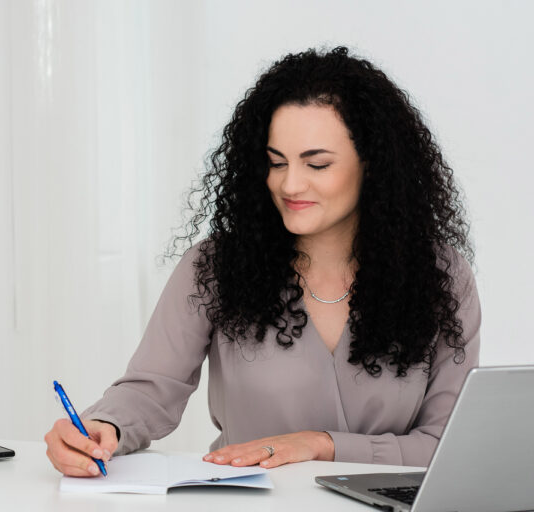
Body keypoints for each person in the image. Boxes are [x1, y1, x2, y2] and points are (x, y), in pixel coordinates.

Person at [44, 46, 480, 477]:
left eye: (318, 164)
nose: (290, 183)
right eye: (276, 162)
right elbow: (151, 390)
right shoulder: (215, 267)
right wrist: (105, 427)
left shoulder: (441, 276)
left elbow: (446, 444)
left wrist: (320, 445)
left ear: (373, 165)